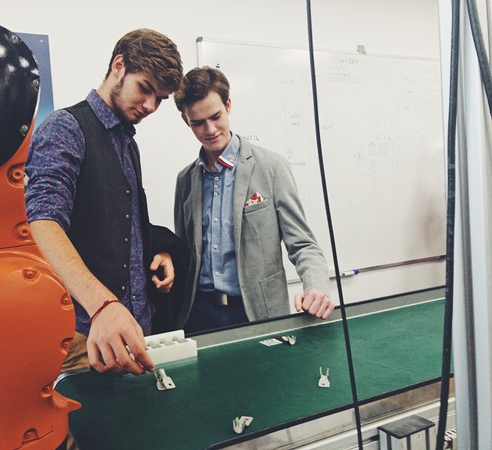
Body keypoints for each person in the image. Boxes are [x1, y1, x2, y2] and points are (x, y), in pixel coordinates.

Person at [25, 29, 185, 377]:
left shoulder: (128, 143)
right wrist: (102, 306)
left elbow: (122, 224)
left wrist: (161, 250)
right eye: (145, 88)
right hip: (84, 334)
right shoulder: (65, 128)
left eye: (159, 99)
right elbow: (42, 221)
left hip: (133, 329)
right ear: (118, 66)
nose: (150, 106)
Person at [173, 66, 334, 333]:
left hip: (257, 313)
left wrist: (316, 287)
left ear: (228, 105)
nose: (210, 129)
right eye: (198, 123)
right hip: (198, 315)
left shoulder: (271, 167)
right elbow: (183, 254)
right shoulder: (185, 180)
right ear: (185, 120)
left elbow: (303, 244)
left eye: (216, 116)